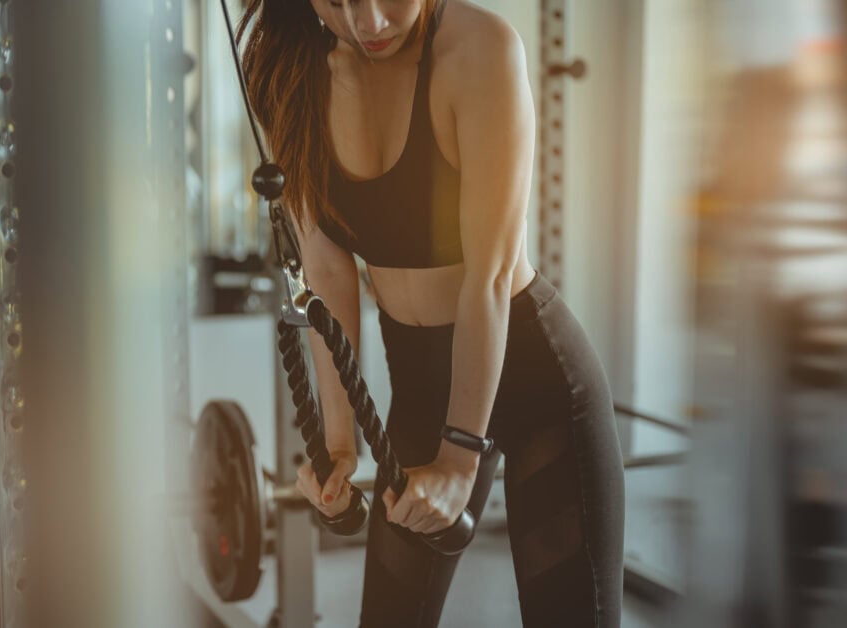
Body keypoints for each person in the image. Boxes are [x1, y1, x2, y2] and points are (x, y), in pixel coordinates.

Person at [239, 1, 625, 626]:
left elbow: (490, 275)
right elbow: (327, 267)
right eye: (337, 2)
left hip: (534, 381)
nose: (370, 23)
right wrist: (338, 444)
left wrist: (460, 458)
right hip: (420, 386)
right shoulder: (287, 68)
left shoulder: (479, 50)